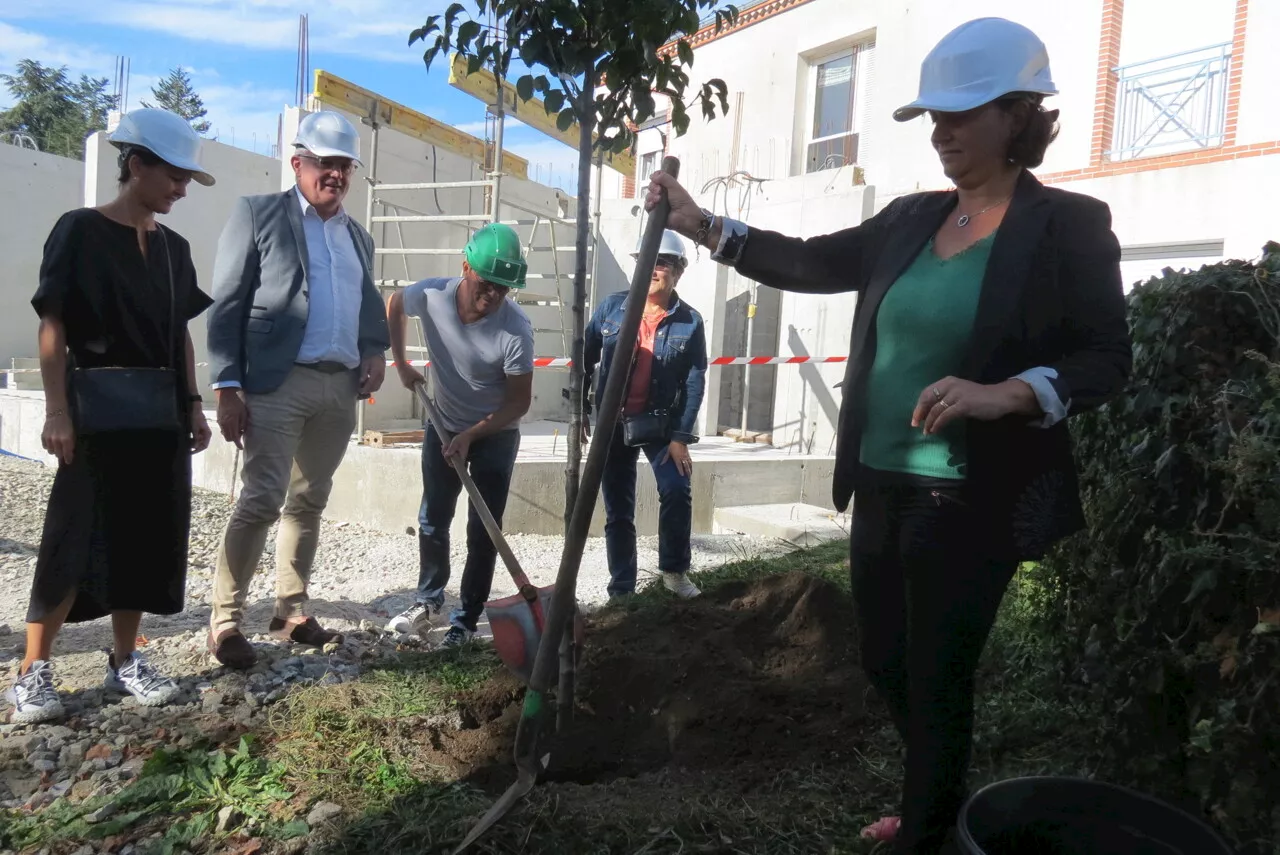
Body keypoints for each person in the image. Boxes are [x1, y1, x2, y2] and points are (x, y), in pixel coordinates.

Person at [644, 18, 1132, 854]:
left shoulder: (1068, 226)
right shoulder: (910, 219)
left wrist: (1004, 393)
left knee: (939, 674)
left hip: (971, 491)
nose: (939, 133)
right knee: (881, 657)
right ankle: (934, 789)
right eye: (931, 119)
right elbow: (805, 260)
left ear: (1016, 115)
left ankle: (928, 830)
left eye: (958, 115)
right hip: (879, 478)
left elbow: (1105, 359)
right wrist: (701, 224)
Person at [6, 108, 216, 724]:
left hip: (159, 416)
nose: (180, 189)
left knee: (144, 535)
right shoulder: (78, 230)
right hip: (93, 411)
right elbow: (54, 323)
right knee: (72, 533)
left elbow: (179, 334)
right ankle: (32, 669)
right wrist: (56, 410)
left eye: (186, 180)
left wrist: (194, 404)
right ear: (136, 165)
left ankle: (125, 660)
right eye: (173, 176)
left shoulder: (175, 251)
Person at [205, 110, 390, 669]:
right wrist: (227, 384)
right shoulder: (259, 215)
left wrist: (375, 349)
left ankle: (290, 608)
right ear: (298, 163)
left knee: (309, 500)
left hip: (338, 389)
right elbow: (229, 301)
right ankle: (224, 619)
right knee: (260, 499)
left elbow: (366, 304)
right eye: (325, 163)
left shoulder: (357, 236)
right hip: (277, 382)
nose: (334, 174)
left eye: (344, 166)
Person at [383, 223, 535, 647]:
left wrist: (472, 434)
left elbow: (518, 403)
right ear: (465, 266)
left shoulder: (516, 329)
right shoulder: (431, 296)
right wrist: (401, 363)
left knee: (483, 527)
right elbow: (394, 303)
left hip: (495, 433)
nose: (492, 297)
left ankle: (465, 620)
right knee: (433, 518)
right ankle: (428, 601)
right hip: (442, 422)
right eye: (486, 285)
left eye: (503, 290)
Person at [582, 229, 708, 601]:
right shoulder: (611, 308)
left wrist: (681, 437)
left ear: (679, 272)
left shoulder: (690, 322)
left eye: (663, 262)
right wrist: (581, 411)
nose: (653, 269)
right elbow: (585, 357)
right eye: (647, 261)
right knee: (618, 509)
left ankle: (673, 573)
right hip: (612, 424)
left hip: (660, 423)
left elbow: (695, 379)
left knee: (676, 489)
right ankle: (622, 589)